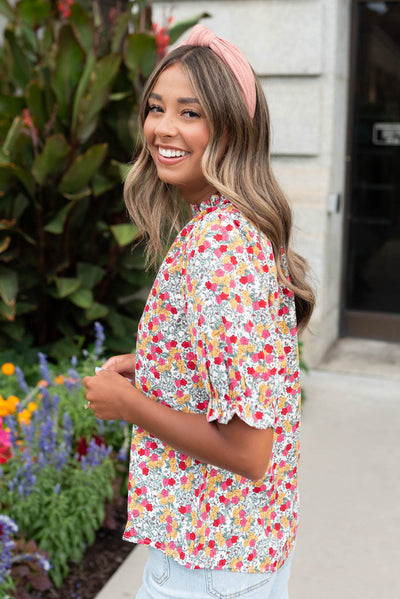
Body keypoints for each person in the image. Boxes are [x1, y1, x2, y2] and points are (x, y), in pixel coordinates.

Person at [82, 24, 315, 599]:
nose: (163, 128)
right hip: (240, 547)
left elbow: (248, 449)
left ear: (232, 129)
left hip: (209, 563)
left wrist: (129, 404)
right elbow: (246, 371)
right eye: (157, 108)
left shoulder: (219, 245)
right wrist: (157, 364)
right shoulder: (237, 225)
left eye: (190, 113)